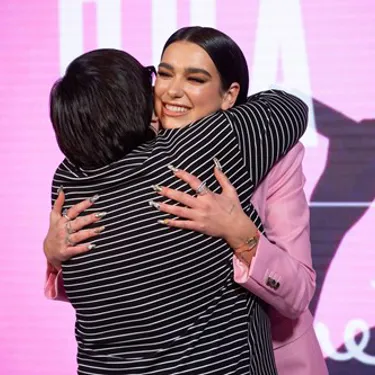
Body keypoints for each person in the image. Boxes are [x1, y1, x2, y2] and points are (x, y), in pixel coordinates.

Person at [44, 29, 309, 375]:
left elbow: (298, 291)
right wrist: (52, 253)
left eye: (195, 78)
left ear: (230, 95)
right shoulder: (205, 146)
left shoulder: (66, 180)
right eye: (162, 74)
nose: (171, 90)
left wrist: (243, 236)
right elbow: (287, 106)